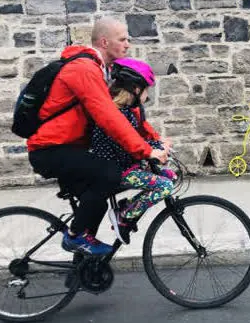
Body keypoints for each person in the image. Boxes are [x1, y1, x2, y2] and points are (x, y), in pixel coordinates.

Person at [27, 17, 168, 256]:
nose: (127, 44)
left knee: (98, 201)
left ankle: (84, 266)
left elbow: (129, 111)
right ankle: (75, 237)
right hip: (51, 150)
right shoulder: (84, 69)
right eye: (122, 39)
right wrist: (146, 151)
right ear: (105, 41)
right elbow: (109, 117)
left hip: (70, 148)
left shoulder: (101, 70)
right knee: (109, 174)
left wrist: (155, 139)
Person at [90, 58, 176, 245]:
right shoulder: (115, 114)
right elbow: (129, 146)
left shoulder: (126, 111)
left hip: (126, 166)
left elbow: (136, 139)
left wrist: (157, 145)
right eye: (147, 90)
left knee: (170, 176)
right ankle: (124, 215)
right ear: (136, 90)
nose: (147, 96)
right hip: (115, 171)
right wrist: (155, 151)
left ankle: (128, 206)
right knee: (164, 186)